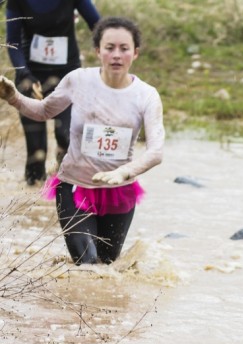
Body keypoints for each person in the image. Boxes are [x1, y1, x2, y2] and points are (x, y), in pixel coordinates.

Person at [0, 16, 165, 265]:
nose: (117, 55)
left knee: (107, 266)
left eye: (124, 48)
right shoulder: (78, 80)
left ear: (136, 53)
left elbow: (156, 151)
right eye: (110, 48)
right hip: (74, 187)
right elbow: (44, 111)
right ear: (98, 51)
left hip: (119, 191)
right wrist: (14, 98)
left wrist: (124, 172)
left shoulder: (146, 95)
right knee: (87, 265)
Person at [6, 0, 101, 185]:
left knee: (66, 137)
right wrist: (24, 72)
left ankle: (63, 188)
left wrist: (108, 54)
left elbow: (97, 25)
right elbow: (13, 41)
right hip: (31, 76)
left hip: (69, 75)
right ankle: (33, 200)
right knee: (36, 150)